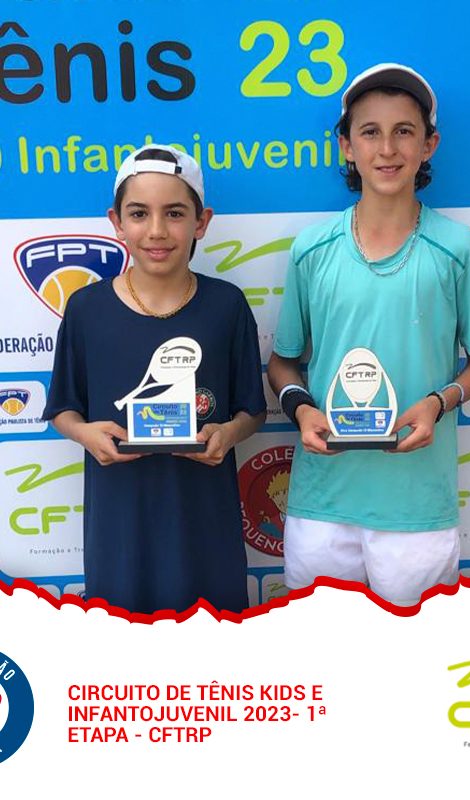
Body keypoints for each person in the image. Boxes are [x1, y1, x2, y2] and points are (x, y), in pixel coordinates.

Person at [267, 64, 470, 606]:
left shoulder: (457, 248)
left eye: (404, 131)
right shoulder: (311, 249)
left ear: (429, 145)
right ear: (347, 146)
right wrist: (301, 409)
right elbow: (283, 363)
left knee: (415, 654)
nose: (388, 148)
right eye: (370, 132)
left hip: (416, 507)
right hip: (322, 503)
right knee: (322, 651)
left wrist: (438, 403)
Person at [43, 144, 266, 615]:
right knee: (125, 645)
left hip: (204, 523)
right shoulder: (86, 309)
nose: (157, 230)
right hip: (120, 525)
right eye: (139, 213)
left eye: (175, 213)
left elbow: (252, 409)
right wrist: (86, 434)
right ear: (117, 222)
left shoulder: (226, 305)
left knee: (214, 644)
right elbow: (62, 407)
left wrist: (228, 433)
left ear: (201, 222)